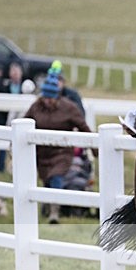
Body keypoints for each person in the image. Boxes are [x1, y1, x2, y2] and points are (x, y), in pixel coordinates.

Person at [23, 70, 95, 224]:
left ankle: (54, 213)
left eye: (51, 97)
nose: (48, 100)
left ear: (57, 95)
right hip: (42, 153)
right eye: (46, 97)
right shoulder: (36, 107)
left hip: (61, 153)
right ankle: (48, 206)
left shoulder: (69, 107)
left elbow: (83, 126)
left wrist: (94, 147)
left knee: (56, 177)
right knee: (47, 180)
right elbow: (23, 124)